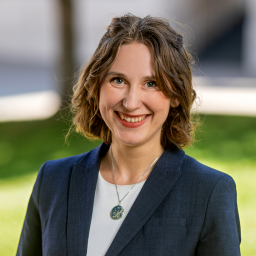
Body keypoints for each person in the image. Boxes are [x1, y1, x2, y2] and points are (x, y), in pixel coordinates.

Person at [17, 14, 241, 256]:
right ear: (96, 87)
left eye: (151, 83)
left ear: (175, 95)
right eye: (118, 80)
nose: (131, 102)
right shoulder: (52, 180)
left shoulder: (210, 192)